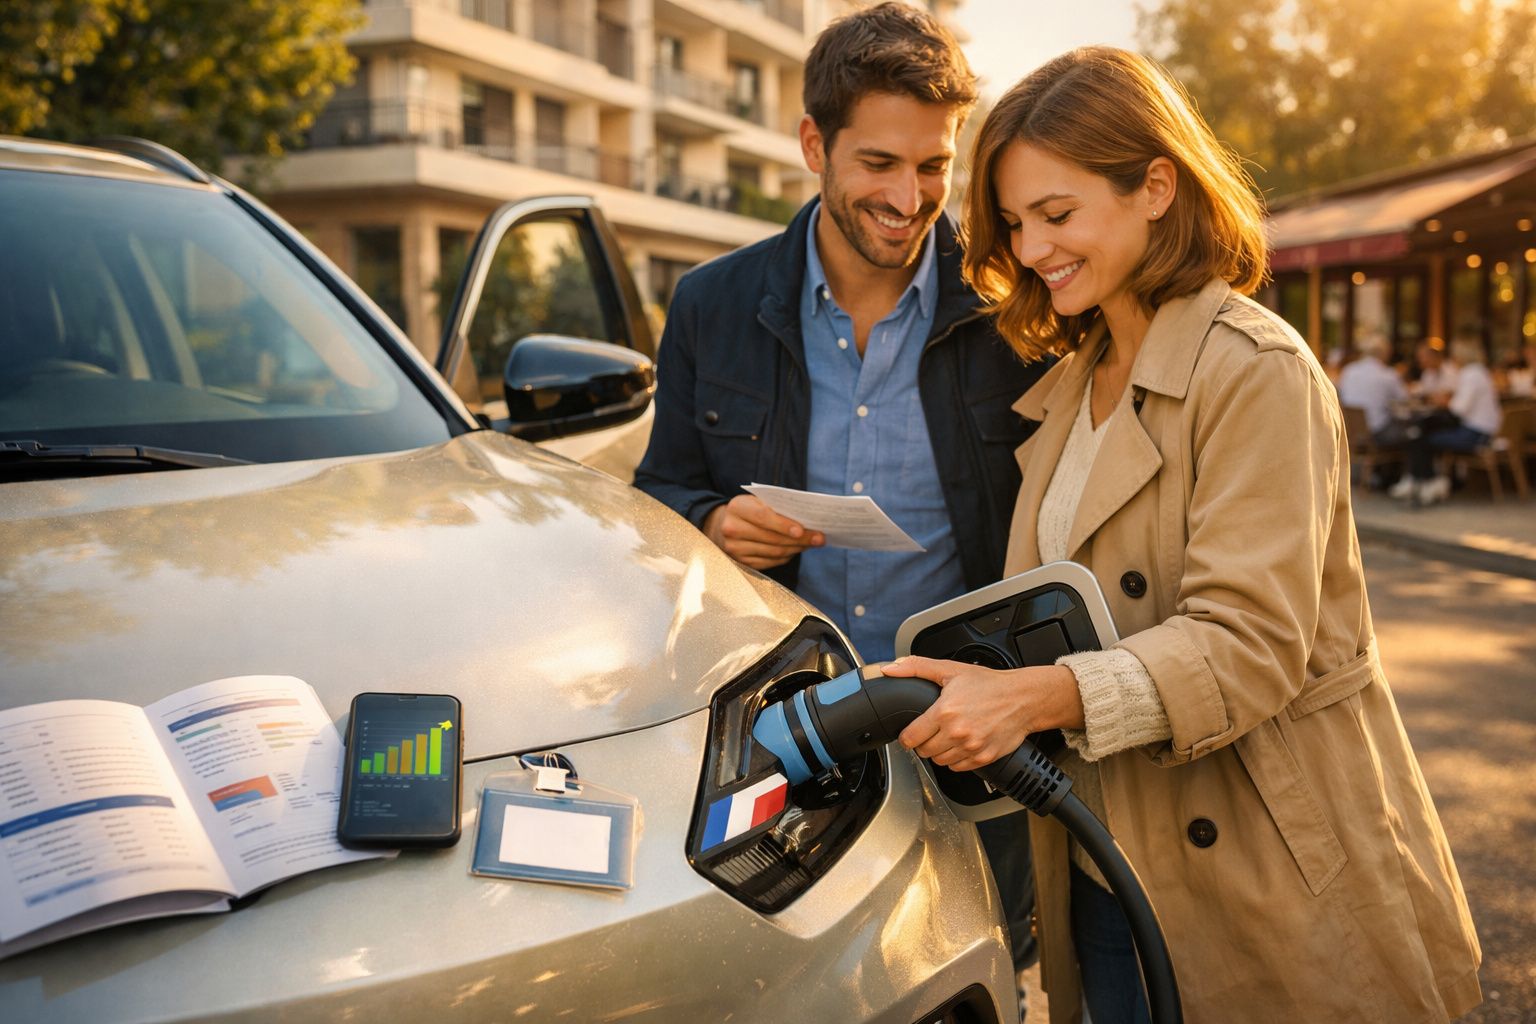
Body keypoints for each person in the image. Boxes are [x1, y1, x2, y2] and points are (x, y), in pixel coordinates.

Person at [879, 47, 1481, 1024]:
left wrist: (1035, 698)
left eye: (1057, 213)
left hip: (1257, 867)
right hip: (1106, 867)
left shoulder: (1254, 369)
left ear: (1156, 187)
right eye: (1017, 223)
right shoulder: (1073, 381)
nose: (1031, 249)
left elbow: (1250, 643)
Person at [631, 1, 1052, 1007]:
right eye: (879, 163)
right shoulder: (710, 305)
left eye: (933, 166)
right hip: (788, 732)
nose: (909, 198)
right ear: (813, 145)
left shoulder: (1016, 305)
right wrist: (711, 521)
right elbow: (658, 492)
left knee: (984, 979)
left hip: (972, 731)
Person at [1392, 334, 1503, 504]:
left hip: (1476, 433)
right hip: (1482, 429)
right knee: (1421, 431)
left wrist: (1445, 400)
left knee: (1423, 436)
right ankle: (1422, 480)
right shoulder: (1479, 372)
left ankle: (1426, 480)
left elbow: (1459, 408)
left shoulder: (1470, 374)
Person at [1337, 330, 1408, 444]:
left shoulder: (1348, 370)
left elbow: (1341, 395)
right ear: (1384, 353)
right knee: (1414, 432)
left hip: (1352, 431)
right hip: (1378, 431)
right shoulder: (1388, 374)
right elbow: (1404, 399)